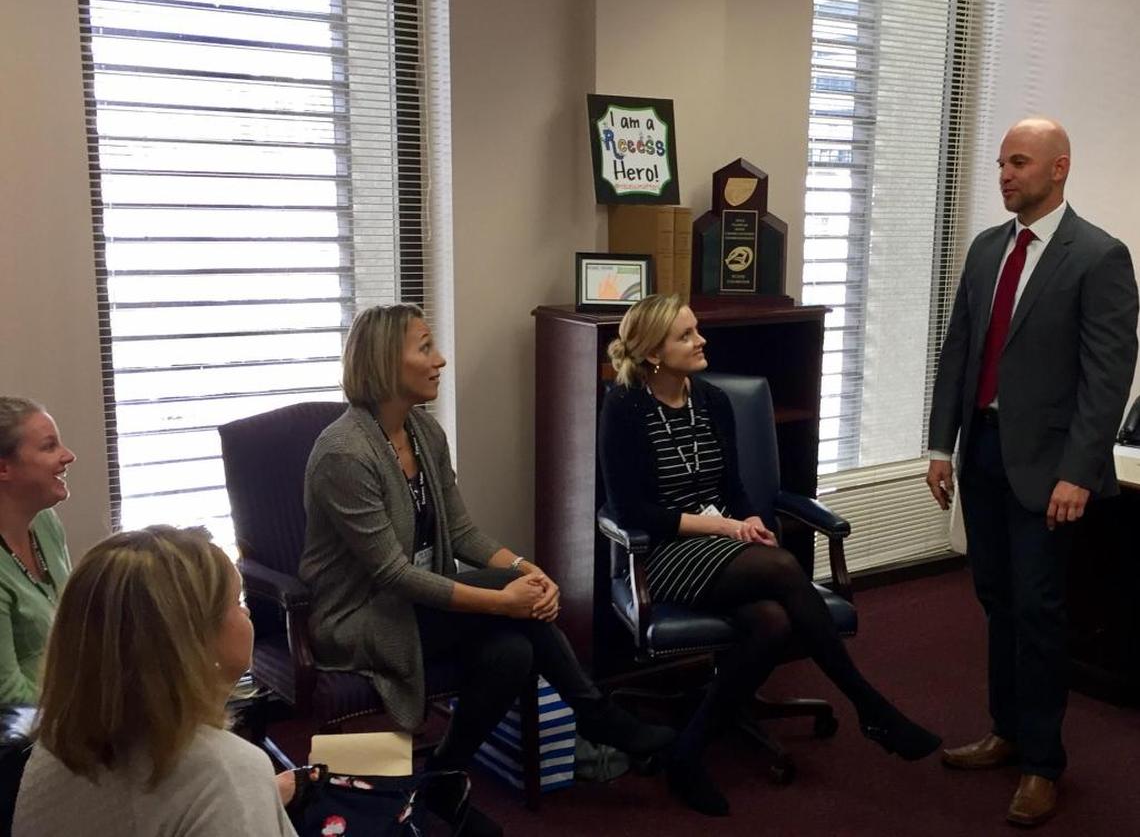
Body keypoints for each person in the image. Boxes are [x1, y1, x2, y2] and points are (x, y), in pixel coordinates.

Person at [300, 304, 675, 837]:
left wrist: (528, 568)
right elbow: (392, 575)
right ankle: (592, 710)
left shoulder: (423, 433)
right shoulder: (344, 452)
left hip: (424, 604)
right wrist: (507, 598)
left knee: (513, 652)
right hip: (361, 617)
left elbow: (464, 531)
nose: (441, 359)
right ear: (385, 361)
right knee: (511, 607)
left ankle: (443, 780)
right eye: (425, 347)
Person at [600, 294, 941, 817]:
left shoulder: (711, 399)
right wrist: (724, 526)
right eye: (686, 335)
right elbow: (632, 511)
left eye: (697, 330)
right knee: (782, 567)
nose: (701, 340)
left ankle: (687, 751)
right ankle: (869, 706)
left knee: (772, 622)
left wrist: (748, 519)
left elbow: (734, 486)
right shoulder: (624, 406)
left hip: (721, 539)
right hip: (663, 552)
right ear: (652, 355)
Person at [927, 117, 1139, 827]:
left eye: (1018, 162)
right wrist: (938, 446)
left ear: (1059, 169)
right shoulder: (989, 248)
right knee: (996, 600)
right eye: (1000, 163)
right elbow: (959, 350)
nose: (1004, 174)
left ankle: (1043, 763)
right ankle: (1007, 730)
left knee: (1042, 611)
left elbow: (1107, 377)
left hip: (1051, 469)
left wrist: (1081, 470)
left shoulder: (1099, 256)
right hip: (981, 453)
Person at [12, 525, 296, 835]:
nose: (247, 613)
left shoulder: (54, 749)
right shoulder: (226, 772)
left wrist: (258, 798)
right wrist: (243, 796)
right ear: (192, 640)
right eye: (237, 602)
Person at [0, 397, 74, 705]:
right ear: (4, 468)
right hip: (26, 742)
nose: (68, 456)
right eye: (49, 447)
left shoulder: (44, 522)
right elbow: (8, 699)